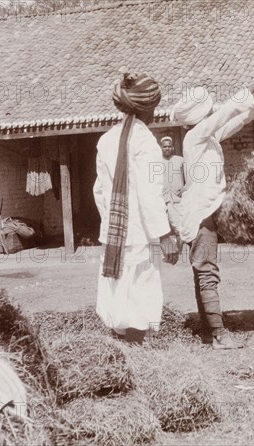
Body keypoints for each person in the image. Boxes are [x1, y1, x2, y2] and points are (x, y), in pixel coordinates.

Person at [170, 75, 254, 350]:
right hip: (200, 213)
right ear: (201, 116)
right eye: (209, 111)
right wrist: (249, 89)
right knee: (206, 270)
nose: (214, 112)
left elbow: (233, 121)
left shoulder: (207, 137)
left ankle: (208, 330)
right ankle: (218, 335)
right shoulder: (196, 135)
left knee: (203, 270)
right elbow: (226, 113)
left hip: (206, 210)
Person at [93, 72, 179, 344]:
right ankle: (135, 348)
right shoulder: (145, 143)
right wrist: (164, 235)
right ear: (148, 108)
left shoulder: (106, 140)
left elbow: (99, 192)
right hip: (141, 233)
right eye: (154, 106)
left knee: (118, 288)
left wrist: (110, 221)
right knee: (140, 291)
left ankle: (119, 344)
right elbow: (149, 195)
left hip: (114, 233)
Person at [160, 136, 184, 243]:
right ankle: (164, 254)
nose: (167, 149)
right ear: (161, 148)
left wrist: (184, 189)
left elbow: (189, 176)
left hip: (176, 199)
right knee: (160, 229)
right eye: (165, 147)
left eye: (169, 146)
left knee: (180, 228)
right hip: (161, 199)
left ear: (173, 147)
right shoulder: (157, 161)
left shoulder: (180, 160)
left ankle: (179, 253)